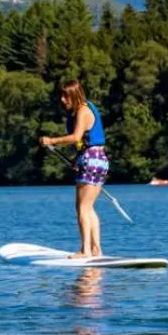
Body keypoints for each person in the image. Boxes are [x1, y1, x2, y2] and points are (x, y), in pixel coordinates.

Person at [40, 80, 106, 258]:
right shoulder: (83, 109)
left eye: (65, 96)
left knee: (83, 208)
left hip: (93, 159)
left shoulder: (83, 111)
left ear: (75, 95)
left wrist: (51, 141)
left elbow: (76, 136)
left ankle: (85, 251)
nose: (62, 100)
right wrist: (78, 159)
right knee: (88, 207)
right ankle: (95, 250)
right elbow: (83, 141)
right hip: (96, 159)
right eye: (61, 96)